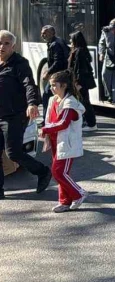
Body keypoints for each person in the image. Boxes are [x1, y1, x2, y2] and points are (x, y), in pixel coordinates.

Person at [0, 30, 51, 199]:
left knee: (13, 153)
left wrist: (32, 103)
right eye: (0, 43)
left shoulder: (19, 63)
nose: (2, 46)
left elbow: (29, 84)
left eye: (6, 43)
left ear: (13, 46)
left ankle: (43, 172)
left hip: (15, 115)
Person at [40, 70, 87, 213]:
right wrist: (47, 130)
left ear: (64, 85)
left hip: (66, 143)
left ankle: (79, 193)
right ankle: (64, 201)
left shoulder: (70, 103)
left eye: (55, 85)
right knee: (60, 173)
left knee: (59, 172)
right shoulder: (53, 100)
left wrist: (45, 129)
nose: (52, 88)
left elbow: (63, 123)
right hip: (55, 141)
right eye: (51, 85)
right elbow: (50, 119)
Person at [68, 31, 98, 132]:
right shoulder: (79, 50)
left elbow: (79, 69)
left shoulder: (79, 52)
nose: (70, 41)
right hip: (79, 81)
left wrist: (78, 83)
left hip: (80, 82)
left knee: (84, 102)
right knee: (83, 102)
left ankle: (91, 124)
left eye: (71, 39)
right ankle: (86, 122)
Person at [41, 25, 69, 119]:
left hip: (58, 75)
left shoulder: (55, 44)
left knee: (46, 95)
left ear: (52, 33)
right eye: (42, 33)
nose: (42, 35)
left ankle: (46, 119)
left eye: (45, 33)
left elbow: (58, 61)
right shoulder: (56, 42)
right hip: (62, 74)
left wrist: (48, 72)